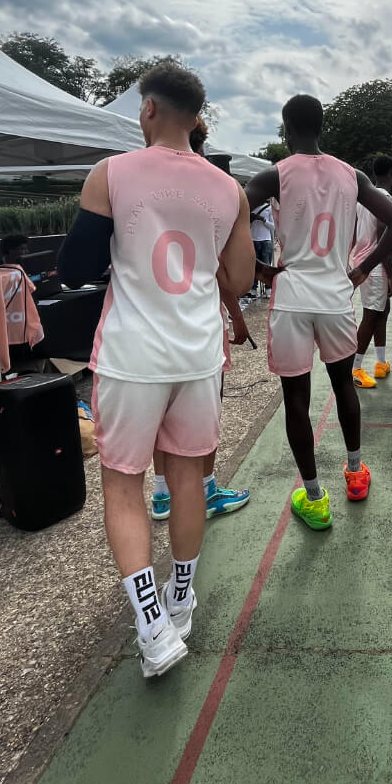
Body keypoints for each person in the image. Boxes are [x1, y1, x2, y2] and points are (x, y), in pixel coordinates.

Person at [57, 64, 254, 678]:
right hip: (198, 354)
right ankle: (180, 599)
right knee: (190, 479)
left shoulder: (110, 173)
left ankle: (151, 626)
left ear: (147, 109)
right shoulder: (229, 189)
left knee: (124, 484)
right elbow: (242, 281)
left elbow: (75, 269)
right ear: (198, 119)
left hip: (131, 353)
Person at [243, 95, 392, 529]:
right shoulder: (350, 174)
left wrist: (259, 268)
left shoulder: (275, 174)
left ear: (285, 128)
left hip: (293, 295)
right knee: (343, 388)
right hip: (336, 294)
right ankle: (355, 473)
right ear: (322, 126)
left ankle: (314, 498)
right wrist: (361, 269)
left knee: (296, 400)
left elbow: (226, 216)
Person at [151, 118, 251, 523]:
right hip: (199, 324)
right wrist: (238, 319)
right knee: (203, 416)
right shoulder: (216, 193)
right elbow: (229, 276)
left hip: (151, 324)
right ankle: (206, 490)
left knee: (160, 413)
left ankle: (161, 495)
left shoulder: (145, 185)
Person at [351, 155, 392, 389]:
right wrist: (390, 273)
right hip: (375, 264)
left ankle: (381, 362)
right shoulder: (385, 197)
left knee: (382, 311)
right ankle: (355, 368)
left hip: (363, 259)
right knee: (370, 316)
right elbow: (383, 234)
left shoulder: (364, 198)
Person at [250, 199, 276, 297]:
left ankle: (268, 289)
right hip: (253, 240)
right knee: (254, 266)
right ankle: (253, 289)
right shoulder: (251, 208)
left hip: (265, 240)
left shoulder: (269, 208)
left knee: (266, 266)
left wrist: (263, 220)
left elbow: (274, 227)